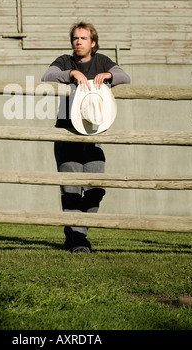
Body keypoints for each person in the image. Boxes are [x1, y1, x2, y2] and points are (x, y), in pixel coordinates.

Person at [41, 21, 131, 253]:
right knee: (70, 190)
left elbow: (125, 77)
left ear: (93, 42)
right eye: (75, 38)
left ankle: (75, 234)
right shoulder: (65, 61)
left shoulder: (102, 61)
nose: (78, 42)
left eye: (83, 38)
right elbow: (47, 75)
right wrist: (71, 73)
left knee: (95, 188)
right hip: (67, 132)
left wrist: (109, 75)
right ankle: (79, 242)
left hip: (93, 134)